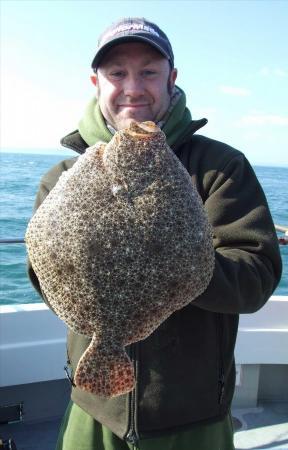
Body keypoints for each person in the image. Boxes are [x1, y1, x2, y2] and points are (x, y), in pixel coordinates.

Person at [28, 17, 282, 450]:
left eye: (148, 71)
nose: (132, 87)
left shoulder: (220, 167)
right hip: (91, 410)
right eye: (117, 73)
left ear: (171, 79)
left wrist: (178, 266)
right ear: (97, 82)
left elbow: (254, 278)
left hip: (193, 413)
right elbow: (42, 274)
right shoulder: (64, 176)